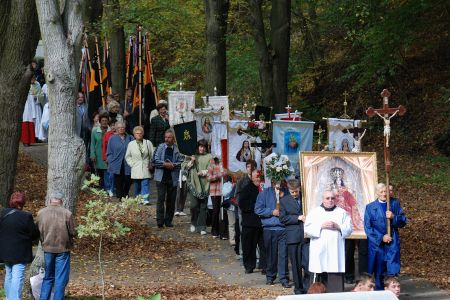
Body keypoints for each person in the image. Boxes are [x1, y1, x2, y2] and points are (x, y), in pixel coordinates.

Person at [304, 190, 352, 293]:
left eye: (332, 198)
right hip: (319, 251)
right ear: (323, 199)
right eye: (327, 198)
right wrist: (320, 226)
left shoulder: (342, 212)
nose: (330, 200)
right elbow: (307, 229)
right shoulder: (314, 212)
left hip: (335, 251)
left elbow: (349, 229)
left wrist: (338, 226)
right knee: (318, 273)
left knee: (335, 280)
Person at [364, 183, 407, 290]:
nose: (384, 194)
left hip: (392, 243)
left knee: (392, 271)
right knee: (379, 271)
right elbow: (368, 228)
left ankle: (392, 292)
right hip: (377, 245)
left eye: (386, 191)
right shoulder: (370, 207)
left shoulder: (395, 203)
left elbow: (403, 221)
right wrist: (381, 237)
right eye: (381, 192)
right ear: (377, 193)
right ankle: (380, 294)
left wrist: (394, 217)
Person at [0, 192, 39, 300]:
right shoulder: (26, 216)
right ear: (22, 203)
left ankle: (9, 298)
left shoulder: (3, 213)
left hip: (5, 251)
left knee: (9, 275)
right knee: (17, 276)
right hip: (20, 252)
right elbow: (34, 235)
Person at [36, 191, 76, 300]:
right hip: (63, 249)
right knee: (60, 279)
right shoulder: (67, 213)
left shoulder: (41, 213)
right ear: (61, 201)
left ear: (50, 200)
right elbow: (73, 232)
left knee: (48, 277)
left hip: (47, 248)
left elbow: (37, 230)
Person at [254, 180, 291, 288]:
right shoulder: (264, 193)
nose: (277, 184)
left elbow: (291, 208)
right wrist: (271, 212)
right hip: (269, 228)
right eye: (275, 181)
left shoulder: (286, 192)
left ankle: (284, 278)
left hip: (283, 228)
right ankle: (270, 276)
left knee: (283, 255)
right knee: (270, 254)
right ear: (272, 181)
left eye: (279, 181)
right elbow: (258, 209)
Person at [279, 179, 310, 294]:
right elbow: (282, 218)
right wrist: (297, 218)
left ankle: (307, 286)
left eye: (296, 191)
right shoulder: (284, 201)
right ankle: (298, 288)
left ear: (299, 189)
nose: (295, 194)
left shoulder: (306, 198)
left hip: (307, 236)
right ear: (288, 190)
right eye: (292, 192)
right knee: (296, 265)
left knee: (307, 263)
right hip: (293, 237)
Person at [153, 129, 183, 228]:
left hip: (172, 178)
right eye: (166, 137)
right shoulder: (160, 147)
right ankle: (160, 221)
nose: (167, 139)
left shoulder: (178, 149)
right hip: (161, 177)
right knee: (160, 199)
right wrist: (165, 164)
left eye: (169, 137)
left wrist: (173, 165)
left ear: (173, 138)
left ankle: (168, 221)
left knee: (171, 200)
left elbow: (181, 162)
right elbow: (155, 160)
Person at [239, 170, 266, 274]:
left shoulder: (264, 189)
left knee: (264, 246)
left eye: (260, 177)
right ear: (252, 178)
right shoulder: (246, 189)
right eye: (256, 177)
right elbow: (243, 204)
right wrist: (256, 207)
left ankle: (265, 266)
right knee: (249, 246)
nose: (258, 179)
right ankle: (249, 266)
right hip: (250, 223)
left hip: (262, 223)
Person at [183, 139, 212, 235]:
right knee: (194, 205)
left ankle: (202, 227)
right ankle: (193, 223)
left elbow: (211, 169)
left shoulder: (209, 156)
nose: (202, 148)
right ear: (197, 147)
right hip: (194, 184)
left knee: (203, 207)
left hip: (205, 184)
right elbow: (185, 167)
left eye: (203, 147)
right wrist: (192, 161)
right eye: (200, 146)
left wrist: (204, 172)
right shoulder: (192, 155)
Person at [125, 126, 154, 205]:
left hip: (145, 166)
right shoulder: (131, 144)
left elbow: (152, 154)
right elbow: (127, 156)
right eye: (137, 133)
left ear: (143, 134)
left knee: (145, 183)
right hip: (136, 167)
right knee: (137, 185)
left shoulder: (148, 143)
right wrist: (132, 164)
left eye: (140, 133)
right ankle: (138, 199)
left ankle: (145, 199)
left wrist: (151, 163)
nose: (139, 135)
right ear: (134, 135)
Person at [106, 121, 134, 200]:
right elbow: (109, 152)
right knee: (118, 180)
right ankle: (120, 196)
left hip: (128, 163)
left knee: (128, 179)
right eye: (119, 127)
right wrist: (111, 161)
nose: (121, 129)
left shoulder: (130, 137)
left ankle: (125, 193)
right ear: (116, 129)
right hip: (116, 162)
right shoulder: (112, 138)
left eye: (122, 127)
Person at [208, 157, 228, 239]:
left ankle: (223, 232)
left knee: (224, 212)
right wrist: (218, 175)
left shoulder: (226, 163)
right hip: (215, 191)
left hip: (225, 191)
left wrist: (225, 174)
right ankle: (215, 230)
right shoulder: (212, 164)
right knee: (216, 211)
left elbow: (228, 174)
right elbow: (208, 177)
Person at [21, 76, 44, 146]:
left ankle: (35, 137)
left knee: (36, 122)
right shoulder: (24, 84)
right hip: (27, 106)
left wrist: (36, 98)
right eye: (32, 78)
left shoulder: (37, 84)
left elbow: (41, 95)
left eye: (34, 78)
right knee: (27, 121)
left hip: (36, 106)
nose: (34, 80)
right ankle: (25, 140)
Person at [90, 114, 110, 189]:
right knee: (99, 174)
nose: (104, 122)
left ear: (108, 121)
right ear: (100, 121)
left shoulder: (110, 131)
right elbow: (92, 144)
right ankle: (101, 189)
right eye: (103, 121)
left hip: (107, 155)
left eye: (106, 120)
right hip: (98, 155)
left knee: (107, 173)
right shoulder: (95, 131)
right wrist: (92, 154)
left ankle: (107, 189)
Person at [102, 118, 117, 196]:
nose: (113, 127)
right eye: (112, 125)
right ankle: (108, 188)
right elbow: (104, 146)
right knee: (109, 174)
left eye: (115, 125)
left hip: (117, 157)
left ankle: (114, 188)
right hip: (110, 157)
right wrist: (105, 157)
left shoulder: (120, 134)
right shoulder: (107, 134)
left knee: (116, 174)